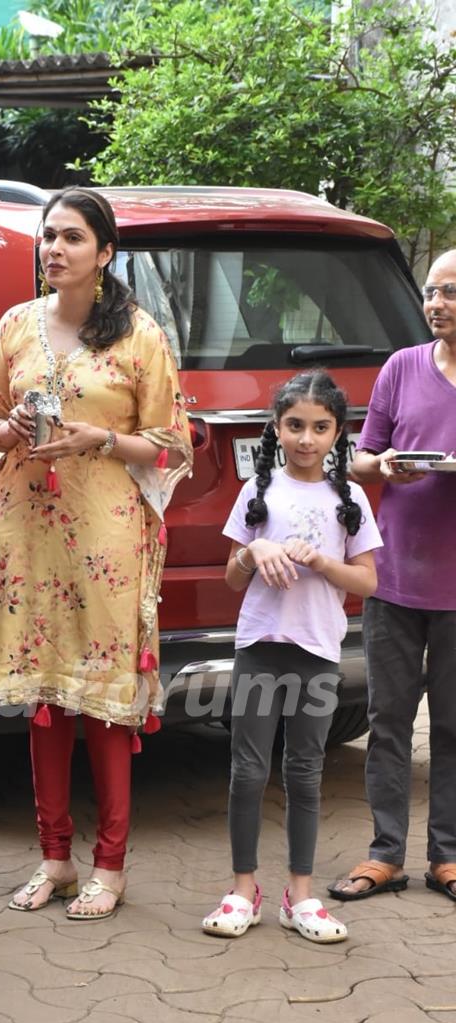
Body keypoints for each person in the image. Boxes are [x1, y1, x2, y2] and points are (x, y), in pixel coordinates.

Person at [0, 186, 192, 920]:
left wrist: (100, 439)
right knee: (43, 700)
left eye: (70, 238)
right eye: (48, 237)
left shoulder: (138, 336)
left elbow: (172, 445)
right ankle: (55, 857)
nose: (54, 250)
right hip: (29, 536)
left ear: (105, 253)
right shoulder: (15, 326)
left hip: (105, 539)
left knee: (103, 703)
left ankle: (112, 866)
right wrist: (3, 435)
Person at [201, 371, 381, 943]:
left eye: (320, 427)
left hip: (318, 653)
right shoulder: (258, 494)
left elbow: (368, 582)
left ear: (337, 433)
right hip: (260, 648)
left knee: (305, 772)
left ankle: (299, 896)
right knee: (248, 771)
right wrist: (255, 550)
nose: (306, 439)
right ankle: (242, 889)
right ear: (276, 429)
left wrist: (325, 564)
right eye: (295, 426)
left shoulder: (347, 499)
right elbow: (231, 578)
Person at [329, 250, 456, 905]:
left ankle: (448, 856)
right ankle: (385, 855)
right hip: (396, 579)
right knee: (388, 721)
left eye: (451, 293)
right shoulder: (401, 368)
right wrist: (387, 467)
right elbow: (358, 458)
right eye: (432, 291)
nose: (437, 303)